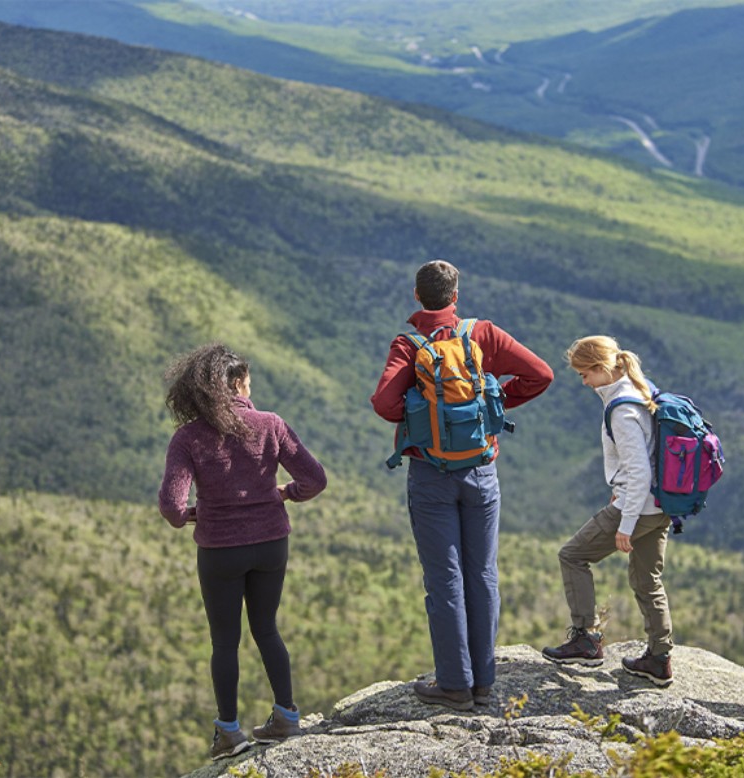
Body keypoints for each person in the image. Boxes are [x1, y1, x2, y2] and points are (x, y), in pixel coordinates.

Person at [370, 259, 553, 709]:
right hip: (481, 471)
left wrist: (422, 414)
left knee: (444, 579)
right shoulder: (482, 334)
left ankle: (454, 684)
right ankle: (483, 682)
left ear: (417, 296)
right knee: (483, 574)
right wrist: (490, 403)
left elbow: (384, 403)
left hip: (431, 475)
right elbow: (541, 374)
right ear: (456, 296)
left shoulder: (409, 344)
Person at [157, 344, 328, 758]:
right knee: (266, 628)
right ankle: (287, 716)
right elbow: (315, 479)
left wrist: (190, 517)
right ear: (236, 384)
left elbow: (171, 505)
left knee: (224, 642)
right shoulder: (270, 424)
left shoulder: (188, 438)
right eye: (248, 380)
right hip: (272, 543)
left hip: (220, 550)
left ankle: (229, 732)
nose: (251, 387)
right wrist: (286, 493)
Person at [540, 336, 676, 686]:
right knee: (647, 579)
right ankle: (659, 659)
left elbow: (638, 472)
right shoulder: (640, 391)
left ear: (601, 369)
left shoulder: (623, 409)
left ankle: (586, 639)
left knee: (572, 555)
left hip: (637, 506)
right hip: (662, 504)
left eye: (585, 374)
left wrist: (625, 524)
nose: (583, 382)